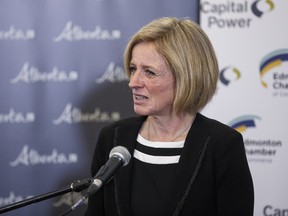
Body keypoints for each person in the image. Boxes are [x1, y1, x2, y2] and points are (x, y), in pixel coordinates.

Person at [85, 17, 254, 216]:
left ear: (186, 77)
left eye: (149, 72)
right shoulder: (112, 139)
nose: (133, 82)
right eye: (133, 69)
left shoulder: (222, 145)